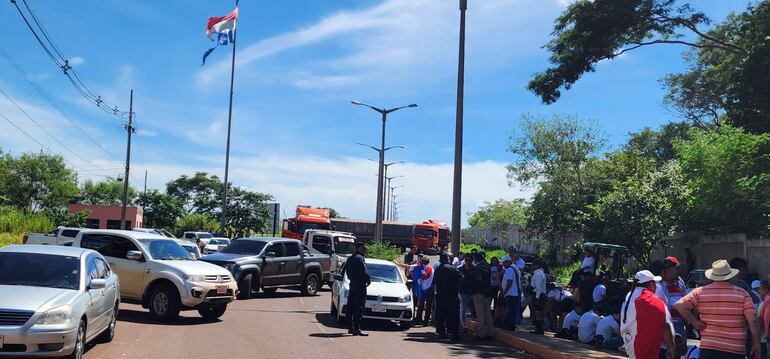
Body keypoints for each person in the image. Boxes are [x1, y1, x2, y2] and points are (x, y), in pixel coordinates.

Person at [675, 259, 761, 359]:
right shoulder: (742, 294)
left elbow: (680, 306)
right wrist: (756, 342)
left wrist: (695, 322)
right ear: (730, 276)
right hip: (734, 348)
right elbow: (753, 320)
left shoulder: (700, 292)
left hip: (709, 347)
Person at [620, 270, 676, 359]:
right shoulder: (652, 300)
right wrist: (671, 347)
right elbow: (665, 325)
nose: (656, 287)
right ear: (650, 284)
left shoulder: (629, 297)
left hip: (632, 347)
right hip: (652, 349)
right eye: (654, 283)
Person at [343, 242, 371, 336]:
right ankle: (357, 329)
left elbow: (346, 271)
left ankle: (350, 327)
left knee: (350, 307)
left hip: (353, 285)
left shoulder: (350, 258)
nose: (364, 250)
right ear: (360, 248)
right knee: (359, 308)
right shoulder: (360, 258)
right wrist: (368, 280)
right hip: (360, 286)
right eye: (363, 248)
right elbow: (363, 271)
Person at [434, 253, 462, 341]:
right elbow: (461, 277)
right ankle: (454, 333)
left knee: (440, 315)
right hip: (452, 295)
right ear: (448, 259)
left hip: (440, 295)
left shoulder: (438, 269)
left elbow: (435, 281)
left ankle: (441, 333)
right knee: (453, 315)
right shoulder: (453, 268)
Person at [658, 256, 687, 338]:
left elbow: (685, 298)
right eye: (676, 268)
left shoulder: (680, 281)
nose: (678, 270)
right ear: (668, 270)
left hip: (679, 323)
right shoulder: (660, 283)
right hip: (666, 323)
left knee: (680, 347)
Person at [471, 252, 494, 340]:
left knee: (480, 314)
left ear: (476, 259)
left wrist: (474, 291)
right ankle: (490, 332)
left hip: (479, 293)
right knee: (488, 314)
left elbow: (477, 281)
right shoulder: (488, 266)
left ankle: (481, 334)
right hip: (487, 293)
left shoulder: (477, 268)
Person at [502, 257, 523, 331]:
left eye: (504, 263)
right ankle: (511, 324)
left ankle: (510, 326)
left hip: (510, 293)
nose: (503, 265)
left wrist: (504, 292)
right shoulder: (515, 268)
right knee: (513, 310)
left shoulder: (510, 270)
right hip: (515, 293)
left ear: (508, 262)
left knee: (511, 310)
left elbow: (509, 282)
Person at [458, 257, 476, 332]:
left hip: (473, 292)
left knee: (473, 308)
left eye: (470, 260)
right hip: (463, 292)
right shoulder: (460, 269)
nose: (468, 262)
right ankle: (464, 326)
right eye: (466, 260)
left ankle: (474, 323)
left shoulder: (475, 269)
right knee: (463, 309)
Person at [530, 258, 547, 335]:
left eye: (533, 265)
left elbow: (538, 287)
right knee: (538, 311)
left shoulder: (538, 274)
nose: (532, 266)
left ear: (537, 266)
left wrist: (537, 298)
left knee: (538, 312)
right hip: (540, 294)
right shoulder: (539, 273)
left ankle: (539, 329)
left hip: (538, 295)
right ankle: (539, 328)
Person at [756, 280, 770, 359]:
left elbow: (760, 321)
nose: (758, 291)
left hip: (765, 340)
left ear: (766, 290)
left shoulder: (765, 302)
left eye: (760, 289)